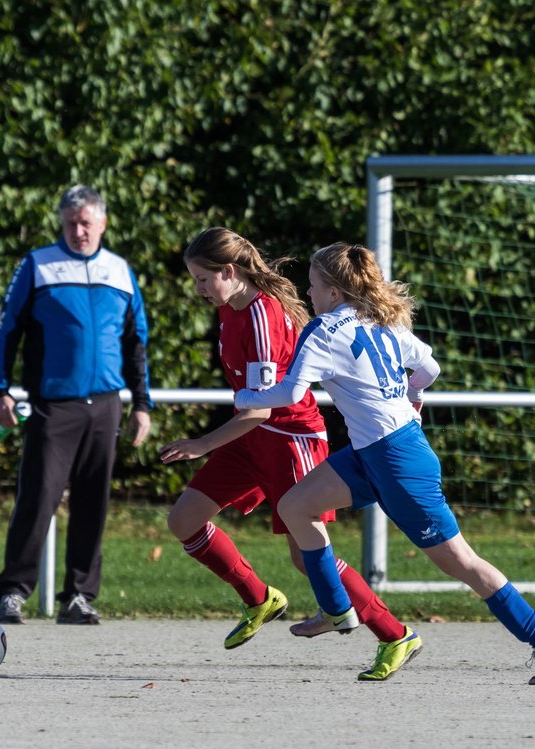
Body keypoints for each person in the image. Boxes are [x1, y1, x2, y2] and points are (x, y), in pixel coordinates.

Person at [234, 242, 535, 685]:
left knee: (461, 562)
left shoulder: (323, 330)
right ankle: (337, 608)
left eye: (313, 286)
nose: (309, 294)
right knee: (296, 506)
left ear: (334, 292)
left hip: (398, 462)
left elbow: (292, 393)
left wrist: (244, 397)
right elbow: (429, 367)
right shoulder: (383, 320)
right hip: (376, 452)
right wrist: (412, 396)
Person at [158, 227, 421, 681]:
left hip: (290, 440)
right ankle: (260, 599)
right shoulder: (230, 307)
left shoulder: (262, 315)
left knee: (306, 556)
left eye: (203, 279)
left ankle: (394, 634)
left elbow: (259, 408)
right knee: (183, 520)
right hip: (252, 438)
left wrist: (202, 444)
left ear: (228, 271)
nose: (199, 290)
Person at [0, 184, 152, 625]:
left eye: (86, 223)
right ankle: (13, 592)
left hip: (105, 405)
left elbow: (138, 342)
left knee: (92, 502)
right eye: (70, 223)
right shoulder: (38, 264)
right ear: (61, 224)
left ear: (103, 223)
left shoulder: (120, 270)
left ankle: (78, 596)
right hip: (52, 406)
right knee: (38, 498)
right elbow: (6, 332)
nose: (78, 231)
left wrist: (142, 403)